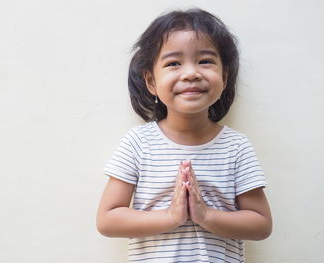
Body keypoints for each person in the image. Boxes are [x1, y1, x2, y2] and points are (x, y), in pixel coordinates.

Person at [97, 8, 272, 263]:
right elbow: (107, 220)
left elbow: (261, 224)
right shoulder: (138, 143)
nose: (191, 73)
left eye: (205, 61)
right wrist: (171, 216)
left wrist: (206, 216)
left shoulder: (236, 147)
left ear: (224, 77)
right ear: (151, 82)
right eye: (173, 63)